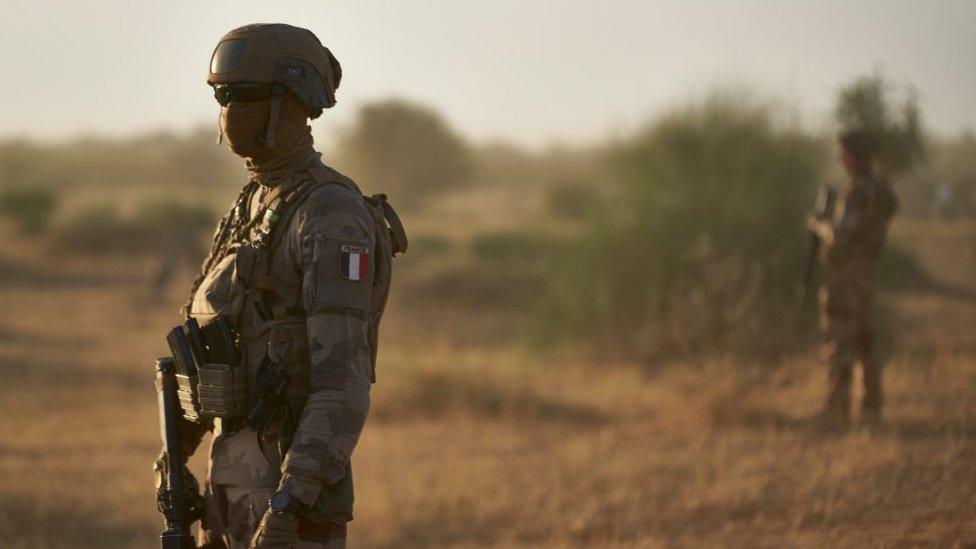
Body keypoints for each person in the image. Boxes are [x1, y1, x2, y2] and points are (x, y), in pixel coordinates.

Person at [157, 23, 406, 548]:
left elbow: (342, 384)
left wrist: (288, 507)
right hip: (228, 487)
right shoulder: (249, 206)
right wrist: (175, 455)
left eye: (243, 95)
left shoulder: (331, 214)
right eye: (221, 96)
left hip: (288, 506)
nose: (228, 109)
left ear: (293, 100)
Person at [807, 128, 897, 424]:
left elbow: (841, 234)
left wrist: (819, 225)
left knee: (840, 338)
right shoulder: (882, 188)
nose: (839, 158)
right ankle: (872, 407)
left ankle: (837, 406)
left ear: (852, 155)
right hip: (866, 270)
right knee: (865, 339)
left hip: (846, 273)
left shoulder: (859, 189)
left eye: (842, 152)